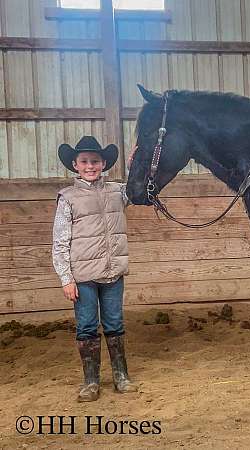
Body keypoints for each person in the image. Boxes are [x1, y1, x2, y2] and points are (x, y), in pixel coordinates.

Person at [52, 136, 138, 402]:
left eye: (95, 161)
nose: (90, 166)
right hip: (83, 278)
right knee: (87, 326)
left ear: (103, 164)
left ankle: (121, 376)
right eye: (85, 162)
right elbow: (60, 240)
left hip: (112, 273)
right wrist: (66, 278)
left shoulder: (117, 191)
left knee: (114, 323)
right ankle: (91, 381)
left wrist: (136, 164)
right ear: (75, 165)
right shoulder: (67, 198)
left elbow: (137, 190)